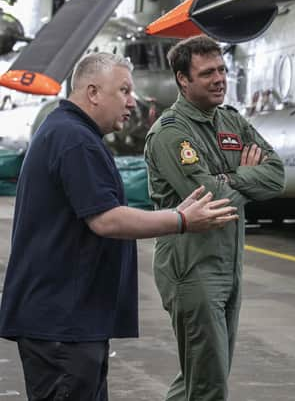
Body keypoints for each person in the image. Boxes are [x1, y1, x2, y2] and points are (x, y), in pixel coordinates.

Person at [0, 52, 238, 401]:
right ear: (93, 92)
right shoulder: (75, 139)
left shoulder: (69, 132)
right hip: (64, 325)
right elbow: (106, 219)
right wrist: (181, 220)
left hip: (67, 321)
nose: (132, 102)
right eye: (124, 90)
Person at [144, 35, 285, 401]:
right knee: (209, 384)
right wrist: (238, 179)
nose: (219, 78)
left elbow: (277, 176)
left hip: (228, 262)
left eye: (221, 69)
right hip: (192, 268)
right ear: (183, 80)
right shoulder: (171, 133)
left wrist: (229, 178)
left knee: (205, 375)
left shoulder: (231, 122)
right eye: (207, 73)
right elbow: (210, 198)